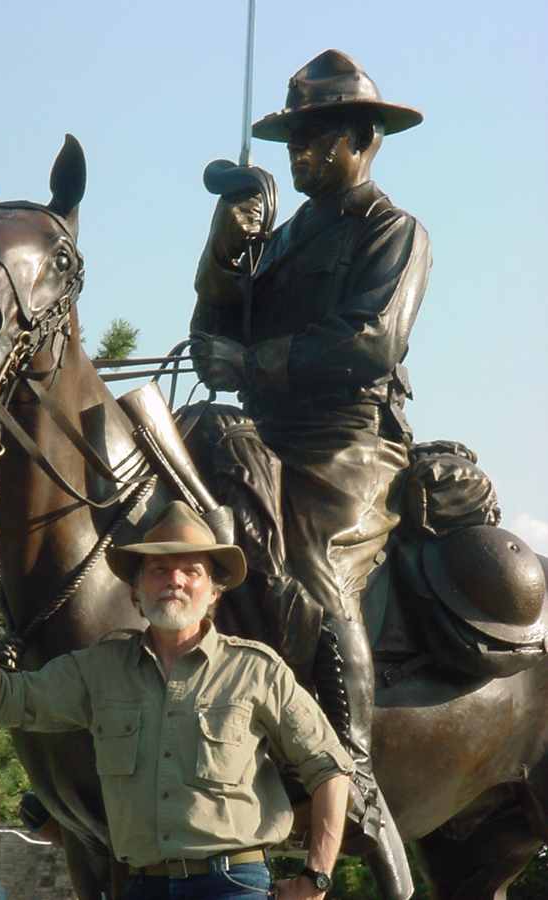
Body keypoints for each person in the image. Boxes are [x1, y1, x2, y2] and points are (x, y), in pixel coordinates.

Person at [190, 49, 431, 893]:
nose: (299, 154)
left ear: (363, 140)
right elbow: (212, 325)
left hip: (349, 441)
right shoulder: (281, 237)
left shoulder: (391, 232)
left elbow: (372, 341)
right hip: (264, 431)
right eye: (292, 140)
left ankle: (353, 772)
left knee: (313, 566)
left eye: (317, 138)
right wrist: (228, 242)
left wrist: (253, 362)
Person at [0, 501, 353, 899]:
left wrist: (315, 879)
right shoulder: (98, 670)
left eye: (191, 571)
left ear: (213, 592)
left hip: (234, 885)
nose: (174, 580)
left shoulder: (256, 670)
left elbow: (331, 767)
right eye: (158, 570)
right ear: (136, 590)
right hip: (142, 884)